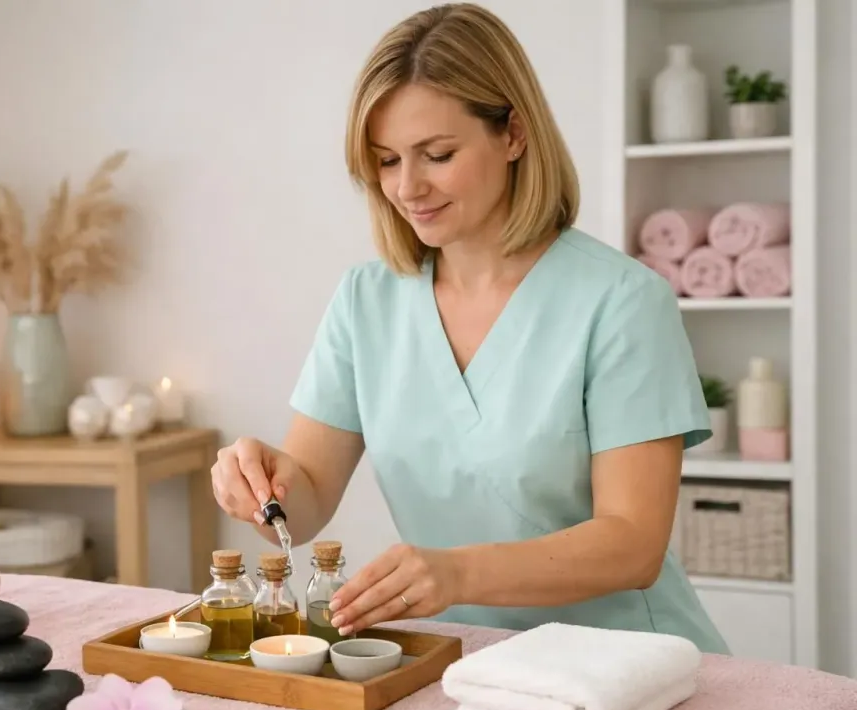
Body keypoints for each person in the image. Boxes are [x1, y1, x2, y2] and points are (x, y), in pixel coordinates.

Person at [209, 3, 730, 655]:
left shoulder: (622, 302)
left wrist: (455, 573)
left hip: (629, 662)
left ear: (513, 134)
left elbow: (633, 543)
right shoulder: (366, 301)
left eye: (437, 154)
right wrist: (258, 485)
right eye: (386, 160)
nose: (407, 187)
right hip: (464, 664)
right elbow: (305, 501)